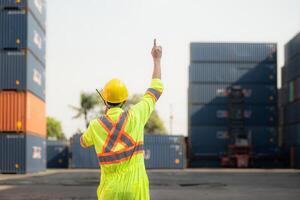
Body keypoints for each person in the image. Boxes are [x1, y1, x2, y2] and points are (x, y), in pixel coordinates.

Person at [80, 39, 163, 200]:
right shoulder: (136, 116)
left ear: (105, 101)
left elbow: (83, 142)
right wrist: (157, 59)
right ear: (125, 100)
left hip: (110, 193)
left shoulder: (96, 126)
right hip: (136, 191)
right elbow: (155, 89)